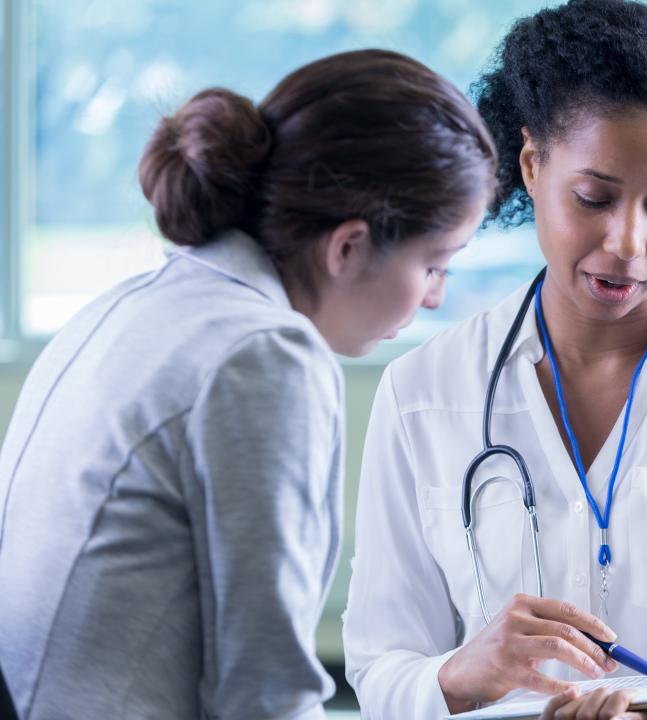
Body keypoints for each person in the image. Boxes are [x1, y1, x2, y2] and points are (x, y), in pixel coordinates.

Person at [342, 3, 647, 719]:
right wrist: (461, 674)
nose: (627, 244)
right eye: (593, 198)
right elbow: (384, 665)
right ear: (533, 165)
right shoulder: (423, 392)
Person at [0, 49, 496, 720]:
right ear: (347, 246)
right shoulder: (265, 357)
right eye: (436, 264)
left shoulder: (133, 303)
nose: (435, 298)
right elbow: (266, 696)